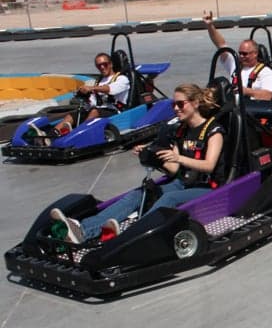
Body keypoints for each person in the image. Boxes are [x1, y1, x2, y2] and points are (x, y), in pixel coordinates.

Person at [50, 83, 226, 244]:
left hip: (209, 188)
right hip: (183, 183)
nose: (176, 108)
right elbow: (175, 170)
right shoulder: (181, 130)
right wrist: (151, 155)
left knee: (169, 198)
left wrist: (178, 158)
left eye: (180, 104)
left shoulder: (213, 131)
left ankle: (133, 235)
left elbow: (209, 165)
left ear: (195, 103)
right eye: (173, 104)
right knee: (139, 194)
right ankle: (83, 230)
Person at [43, 52, 131, 137]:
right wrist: (83, 95)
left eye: (105, 64)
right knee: (74, 115)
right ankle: (51, 134)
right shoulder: (99, 81)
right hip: (98, 111)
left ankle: (78, 134)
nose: (102, 67)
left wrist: (91, 88)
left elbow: (110, 89)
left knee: (94, 111)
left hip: (115, 112)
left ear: (111, 64)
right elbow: (93, 102)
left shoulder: (122, 79)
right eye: (99, 65)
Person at [202, 10, 272, 101]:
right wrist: (210, 26)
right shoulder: (235, 64)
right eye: (240, 53)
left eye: (245, 54)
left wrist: (246, 91)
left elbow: (268, 95)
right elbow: (221, 45)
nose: (241, 56)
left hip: (251, 110)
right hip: (231, 109)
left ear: (255, 54)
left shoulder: (265, 72)